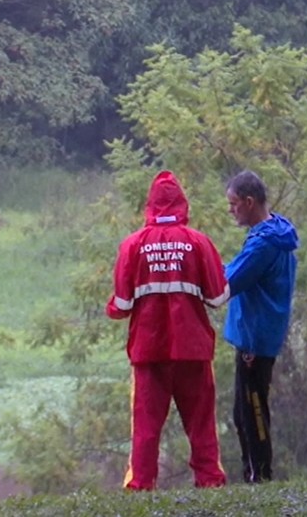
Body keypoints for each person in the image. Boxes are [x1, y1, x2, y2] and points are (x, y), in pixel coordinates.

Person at [106, 170, 231, 490]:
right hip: (193, 349)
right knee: (201, 422)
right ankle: (210, 480)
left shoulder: (132, 246)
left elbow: (120, 306)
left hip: (149, 352)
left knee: (146, 426)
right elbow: (218, 297)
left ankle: (141, 486)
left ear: (150, 206)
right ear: (182, 204)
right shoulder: (199, 243)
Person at [222, 170, 299, 483]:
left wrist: (204, 262)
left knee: (251, 412)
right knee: (243, 411)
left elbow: (229, 280)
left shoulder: (262, 245)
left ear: (249, 202)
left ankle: (260, 474)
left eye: (234, 203)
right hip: (264, 332)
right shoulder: (276, 232)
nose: (231, 210)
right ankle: (254, 471)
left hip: (254, 338)